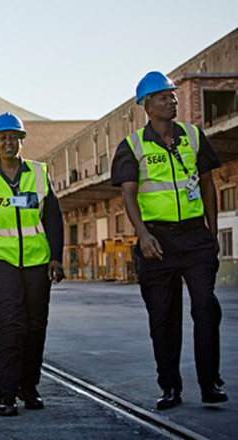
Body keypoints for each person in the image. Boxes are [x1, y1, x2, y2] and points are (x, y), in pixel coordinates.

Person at [110, 71, 227, 409]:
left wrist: (212, 230)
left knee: (206, 307)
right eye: (163, 97)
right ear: (146, 105)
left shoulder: (193, 137)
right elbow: (128, 195)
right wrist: (143, 235)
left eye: (173, 95)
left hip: (194, 237)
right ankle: (170, 387)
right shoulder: (131, 146)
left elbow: (207, 184)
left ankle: (210, 383)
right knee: (163, 317)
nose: (172, 101)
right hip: (156, 241)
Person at [0, 112, 65, 417]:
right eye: (2, 138)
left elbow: (53, 218)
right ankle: (6, 394)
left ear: (21, 140)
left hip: (37, 263)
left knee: (35, 328)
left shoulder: (39, 173)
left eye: (13, 137)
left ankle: (29, 387)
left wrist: (56, 257)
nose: (8, 142)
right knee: (8, 328)